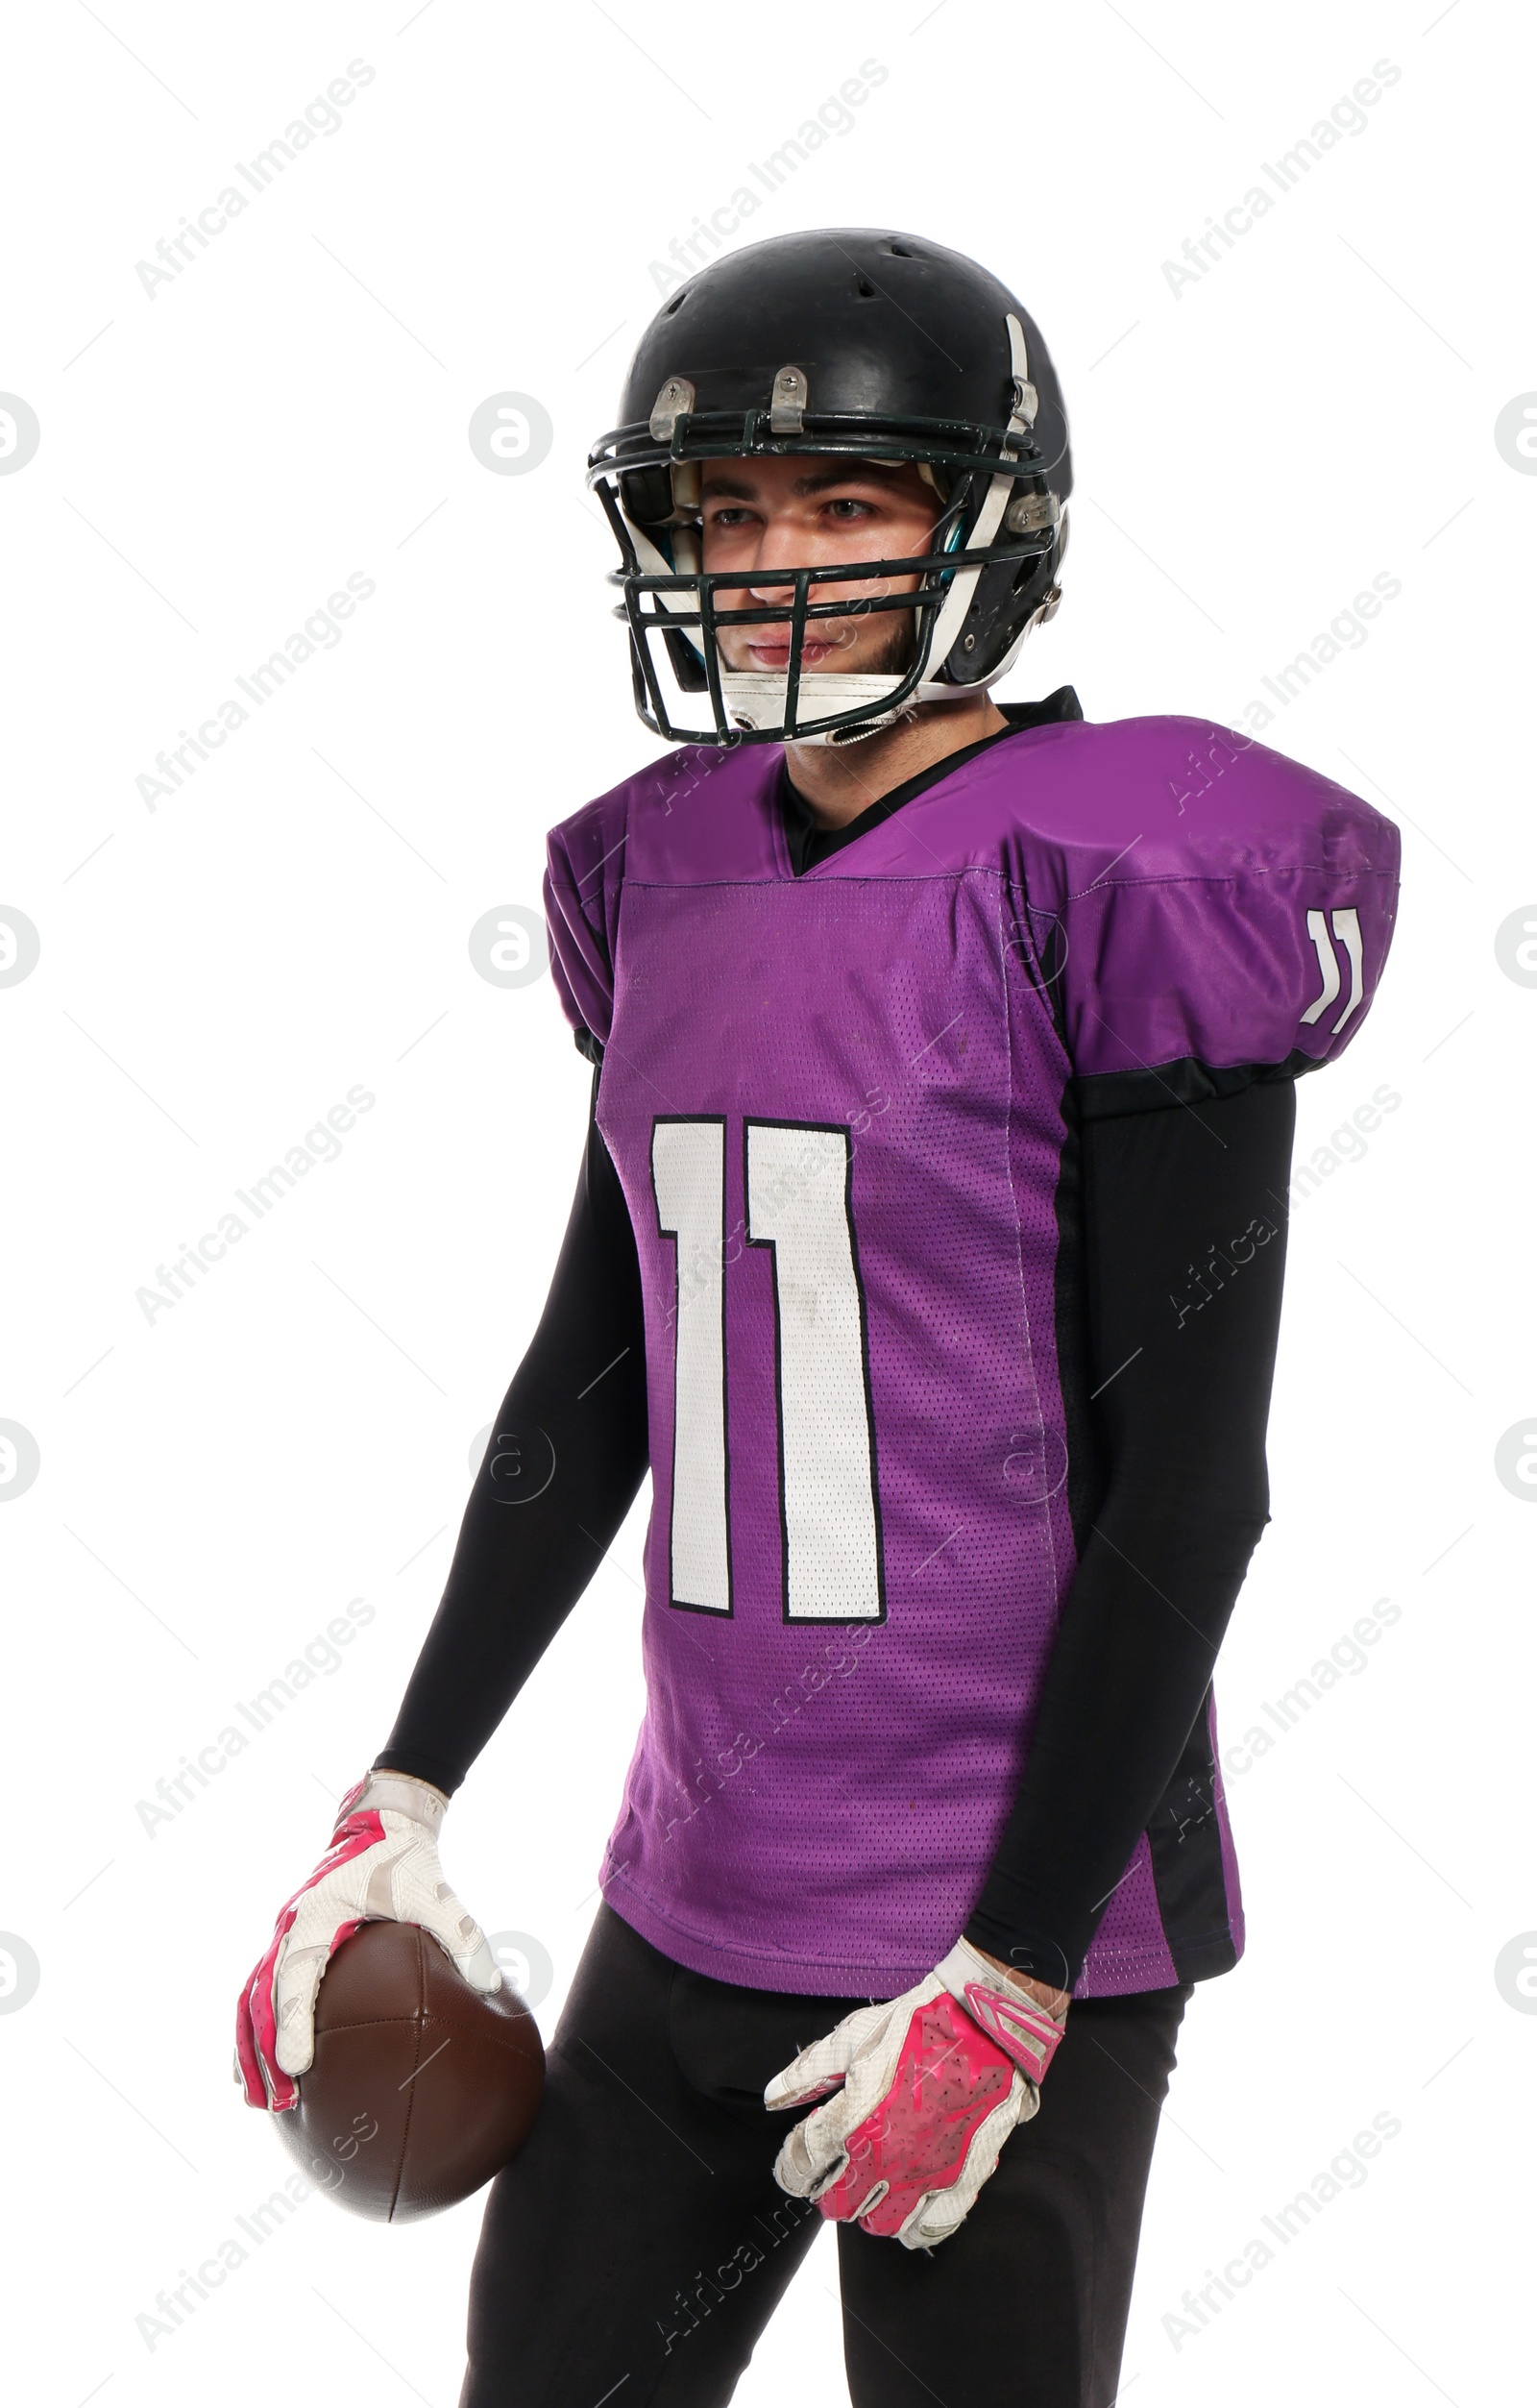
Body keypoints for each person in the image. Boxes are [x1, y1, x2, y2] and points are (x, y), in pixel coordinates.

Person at [235, 229, 1401, 2406]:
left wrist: (1017, 1974)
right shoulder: (661, 863)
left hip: (1000, 1913)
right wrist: (398, 1781)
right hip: (691, 1880)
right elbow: (598, 1376)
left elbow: (1194, 1479)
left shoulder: (1115, 859)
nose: (769, 557)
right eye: (727, 511)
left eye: (845, 502)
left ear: (984, 529)